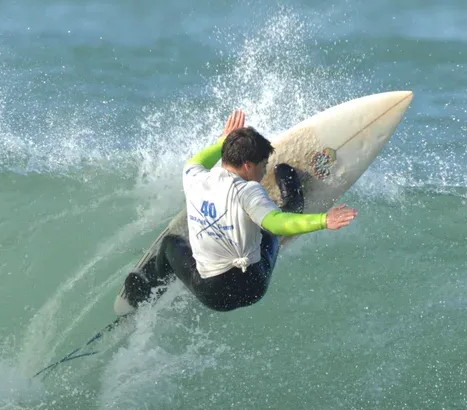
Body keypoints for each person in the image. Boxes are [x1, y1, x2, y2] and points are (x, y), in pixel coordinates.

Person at [123, 109, 358, 312]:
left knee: (170, 245)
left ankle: (148, 289)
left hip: (210, 294)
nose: (264, 171)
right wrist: (323, 220)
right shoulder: (249, 192)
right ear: (247, 165)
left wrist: (223, 140)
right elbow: (278, 223)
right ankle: (291, 192)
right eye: (263, 166)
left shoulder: (193, 177)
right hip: (253, 286)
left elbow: (197, 160)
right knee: (284, 216)